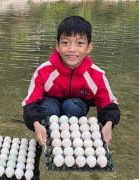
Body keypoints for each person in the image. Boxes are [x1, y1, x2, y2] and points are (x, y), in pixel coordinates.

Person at [22, 15, 120, 147]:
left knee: (72, 106)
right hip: (50, 108)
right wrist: (36, 123)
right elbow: (31, 102)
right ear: (57, 46)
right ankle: (50, 135)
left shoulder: (96, 75)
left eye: (79, 43)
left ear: (89, 47)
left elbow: (108, 105)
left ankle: (69, 136)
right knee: (51, 108)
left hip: (75, 108)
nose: (72, 49)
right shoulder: (44, 71)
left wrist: (108, 124)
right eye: (65, 42)